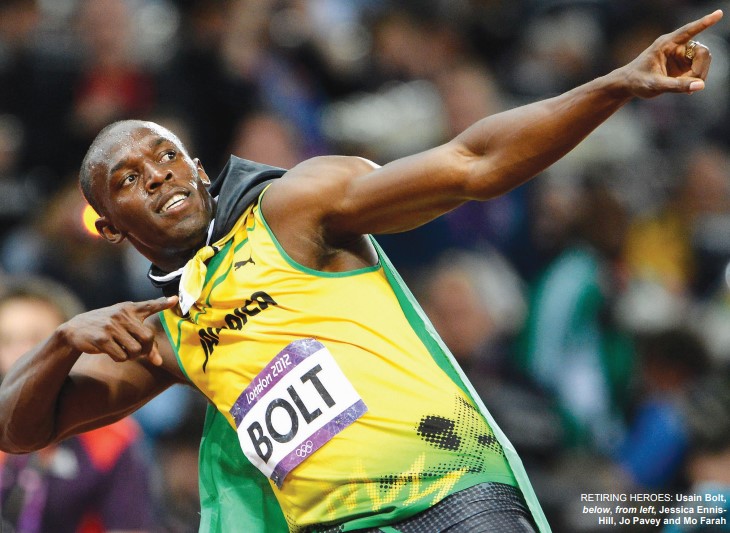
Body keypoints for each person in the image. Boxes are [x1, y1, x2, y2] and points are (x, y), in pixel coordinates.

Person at [0, 10, 722, 533]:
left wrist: (615, 86)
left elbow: (472, 163)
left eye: (166, 156)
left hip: (449, 497)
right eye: (128, 179)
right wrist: (62, 341)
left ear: (198, 168)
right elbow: (19, 430)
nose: (157, 174)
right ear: (109, 226)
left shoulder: (292, 209)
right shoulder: (167, 332)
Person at [0, 276, 157, 533]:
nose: (20, 353)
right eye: (6, 341)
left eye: (35, 338)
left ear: (75, 346)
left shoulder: (113, 439)